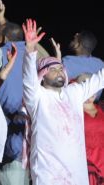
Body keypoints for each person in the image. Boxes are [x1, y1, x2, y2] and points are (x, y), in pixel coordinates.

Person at [21, 19, 104, 184]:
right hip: (49, 176)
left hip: (77, 176)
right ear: (42, 75)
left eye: (60, 68)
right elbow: (29, 79)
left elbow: (100, 79)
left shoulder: (74, 92)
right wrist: (30, 50)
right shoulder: (37, 98)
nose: (59, 72)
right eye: (52, 69)